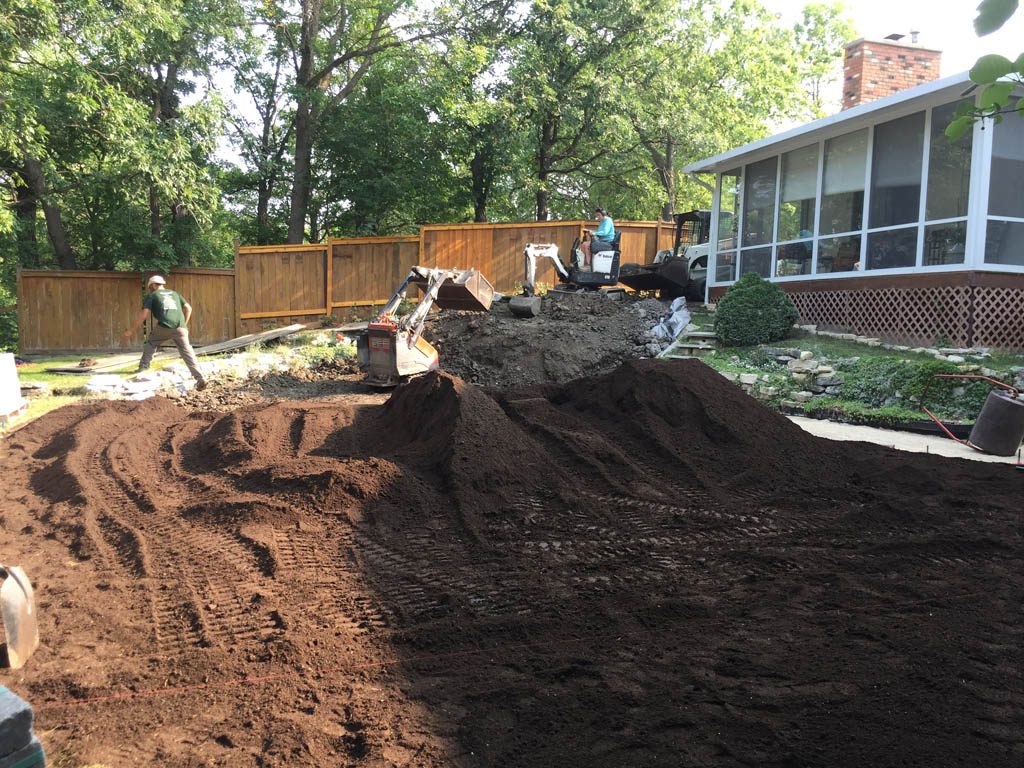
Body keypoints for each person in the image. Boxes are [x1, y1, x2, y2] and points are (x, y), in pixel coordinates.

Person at [123, 275, 207, 390]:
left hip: (164, 326)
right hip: (181, 327)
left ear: (152, 285)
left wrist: (130, 330)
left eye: (149, 286)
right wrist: (184, 324)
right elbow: (188, 308)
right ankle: (200, 377)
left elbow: (144, 314)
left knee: (151, 343)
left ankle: (143, 368)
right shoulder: (175, 293)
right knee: (187, 351)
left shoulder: (152, 295)